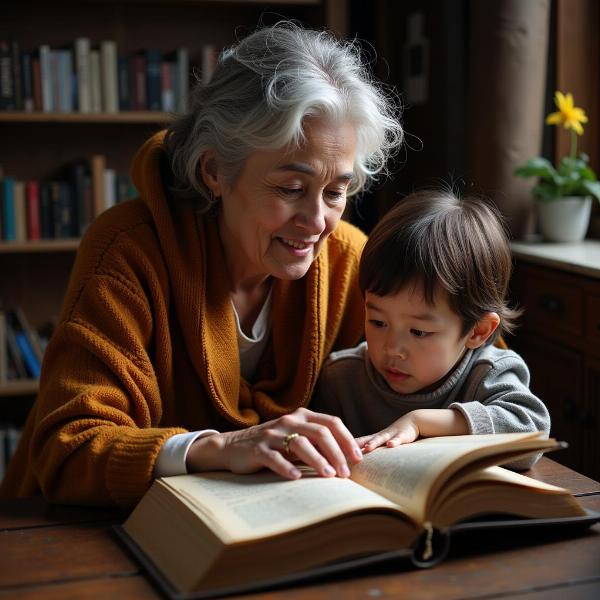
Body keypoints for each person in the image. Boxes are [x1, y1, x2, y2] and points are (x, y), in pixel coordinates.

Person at [0, 22, 403, 506]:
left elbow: (473, 360)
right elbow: (69, 449)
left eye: (336, 191)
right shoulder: (127, 251)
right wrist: (218, 447)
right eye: (290, 189)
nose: (317, 221)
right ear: (214, 171)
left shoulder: (350, 258)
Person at [313, 190, 550, 468]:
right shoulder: (342, 379)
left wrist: (421, 421)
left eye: (418, 332)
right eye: (378, 323)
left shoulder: (488, 372)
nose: (392, 348)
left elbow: (532, 434)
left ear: (477, 331)